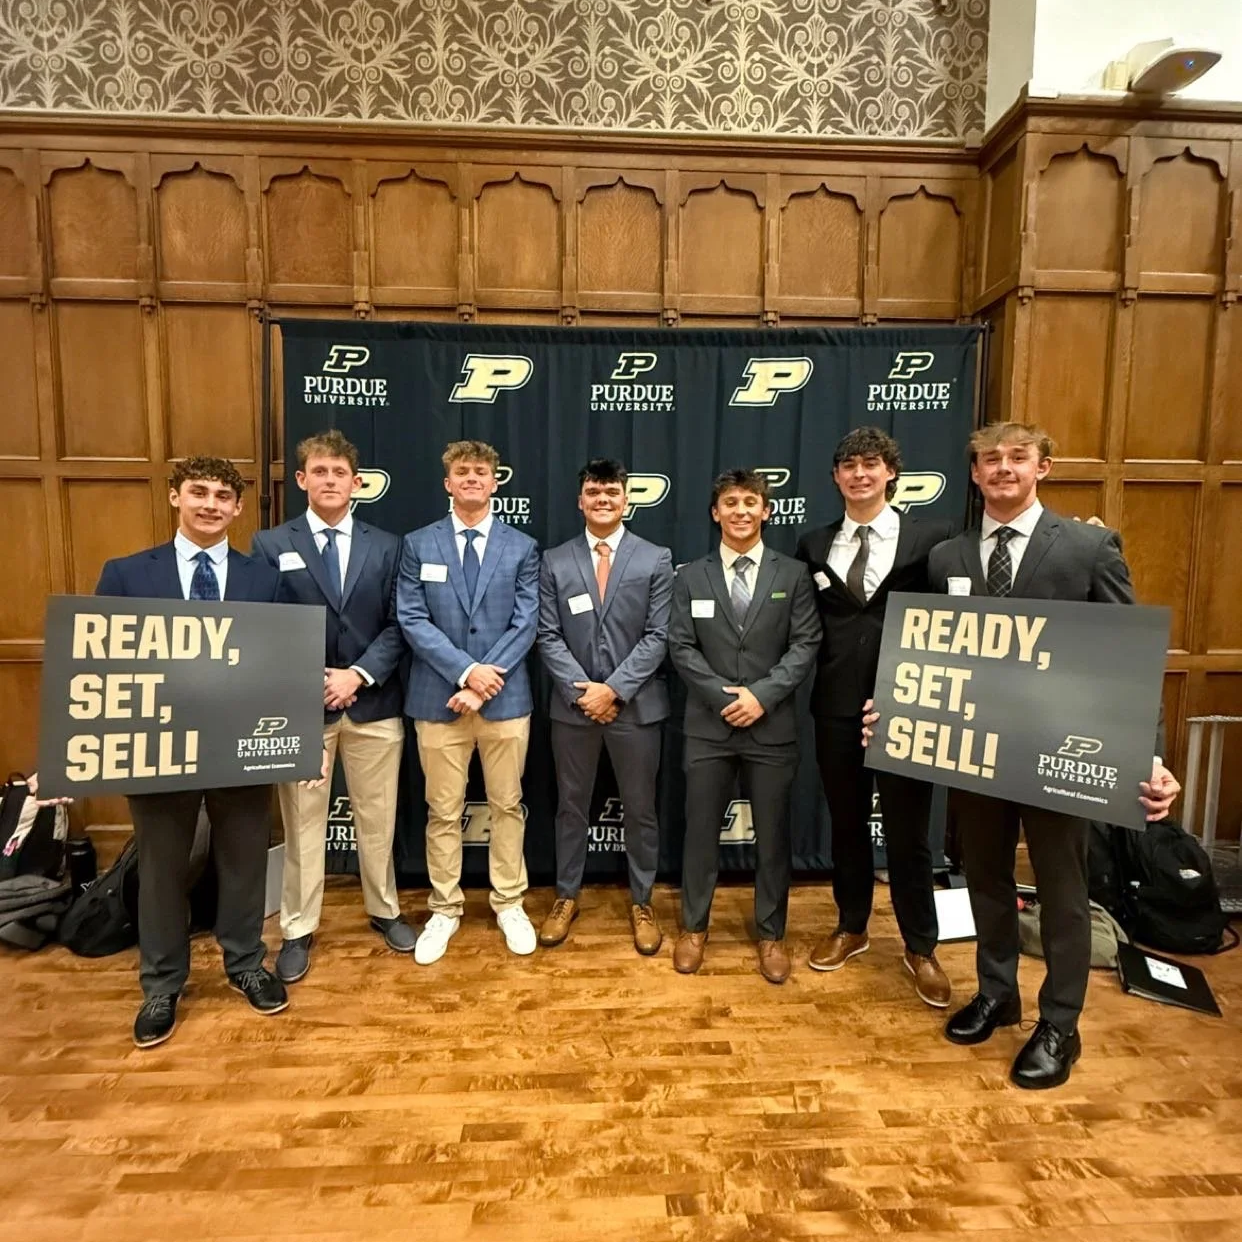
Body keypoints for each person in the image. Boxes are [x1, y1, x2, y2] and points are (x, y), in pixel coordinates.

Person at [863, 422, 1181, 1089]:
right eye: (988, 460)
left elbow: (1127, 666)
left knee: (1064, 892)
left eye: (1016, 458)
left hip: (1063, 756)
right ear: (974, 475)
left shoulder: (1091, 548)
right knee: (984, 877)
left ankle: (1060, 1024)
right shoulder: (949, 557)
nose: (1002, 469)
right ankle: (998, 992)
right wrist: (892, 709)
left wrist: (1147, 760)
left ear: (1043, 468)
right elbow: (932, 655)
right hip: (978, 756)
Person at [95, 456, 320, 1048]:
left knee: (244, 862)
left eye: (224, 496)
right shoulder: (125, 575)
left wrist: (298, 737)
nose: (211, 504)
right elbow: (103, 664)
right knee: (163, 869)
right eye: (199, 492)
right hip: (159, 746)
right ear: (175, 497)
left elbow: (285, 666)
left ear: (239, 508)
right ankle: (162, 983)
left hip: (242, 746)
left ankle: (246, 962)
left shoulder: (265, 581)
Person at [795, 428, 954, 1007]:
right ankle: (852, 927)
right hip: (835, 706)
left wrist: (906, 695)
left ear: (891, 472)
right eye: (848, 466)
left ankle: (921, 947)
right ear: (836, 477)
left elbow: (951, 628)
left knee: (910, 834)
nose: (860, 474)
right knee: (847, 824)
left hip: (906, 706)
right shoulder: (812, 545)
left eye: (871, 464)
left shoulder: (933, 540)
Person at [251, 429, 411, 983]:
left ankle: (385, 910)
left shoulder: (388, 546)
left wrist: (358, 674)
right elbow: (265, 630)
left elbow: (399, 623)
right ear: (301, 480)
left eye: (339, 473)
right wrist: (314, 683)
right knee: (302, 824)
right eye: (318, 472)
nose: (329, 481)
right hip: (304, 708)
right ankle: (298, 927)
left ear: (356, 482)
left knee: (378, 819)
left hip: (374, 702)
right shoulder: (271, 545)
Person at [667, 469, 821, 983]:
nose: (740, 510)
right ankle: (694, 928)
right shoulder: (690, 576)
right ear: (716, 513)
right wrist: (720, 697)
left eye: (750, 501)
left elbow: (805, 646)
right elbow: (681, 647)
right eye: (730, 502)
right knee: (700, 835)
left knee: (773, 837)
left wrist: (761, 696)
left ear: (766, 511)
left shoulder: (793, 575)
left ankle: (772, 934)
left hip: (771, 727)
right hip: (708, 728)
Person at [396, 440, 540, 963]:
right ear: (448, 483)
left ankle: (508, 902)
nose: (473, 478)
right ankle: (444, 908)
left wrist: (481, 681)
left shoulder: (522, 547)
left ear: (496, 481)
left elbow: (527, 622)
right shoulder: (418, 544)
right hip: (439, 700)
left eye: (482, 471)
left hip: (505, 702)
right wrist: (465, 672)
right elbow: (411, 618)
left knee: (506, 805)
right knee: (443, 810)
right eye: (463, 471)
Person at [536, 458, 674, 954]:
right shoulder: (554, 560)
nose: (602, 500)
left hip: (635, 709)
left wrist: (612, 689)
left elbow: (660, 635)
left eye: (612, 492)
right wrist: (584, 692)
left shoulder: (655, 558)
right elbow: (547, 635)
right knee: (571, 808)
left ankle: (642, 902)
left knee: (641, 811)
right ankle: (566, 896)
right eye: (593, 492)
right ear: (580, 500)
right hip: (573, 711)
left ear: (625, 500)